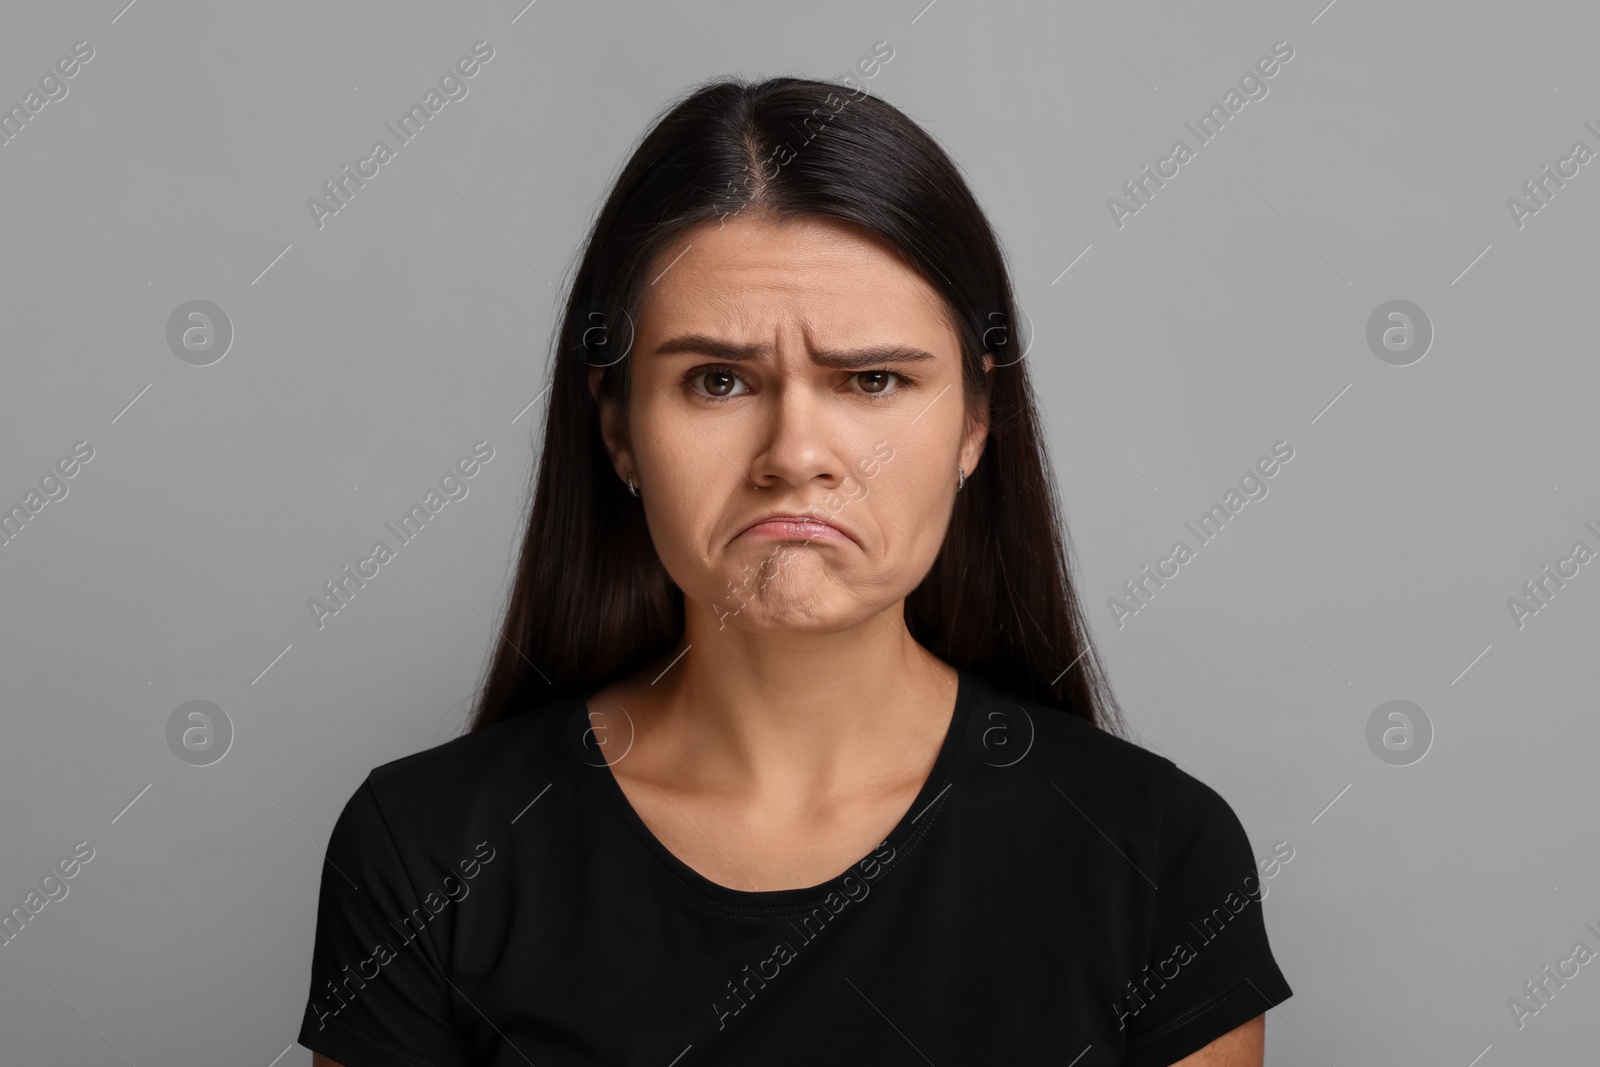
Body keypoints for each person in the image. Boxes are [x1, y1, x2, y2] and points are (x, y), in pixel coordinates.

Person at [299, 75, 1293, 1066]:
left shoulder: (1155, 856)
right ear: (618, 428)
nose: (795, 453)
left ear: (975, 423)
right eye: (718, 380)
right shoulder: (427, 852)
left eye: (871, 379)